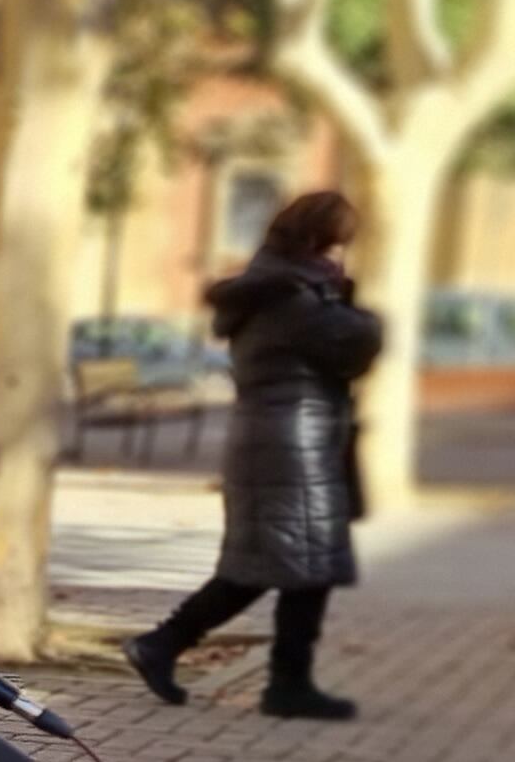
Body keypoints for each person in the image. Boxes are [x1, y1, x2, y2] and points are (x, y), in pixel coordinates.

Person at [125, 191, 379, 722]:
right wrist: (357, 308)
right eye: (336, 244)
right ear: (315, 241)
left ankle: (286, 681)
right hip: (291, 443)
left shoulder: (279, 287)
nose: (340, 255)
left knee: (303, 567)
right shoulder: (292, 295)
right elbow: (353, 346)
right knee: (267, 566)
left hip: (287, 438)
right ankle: (166, 643)